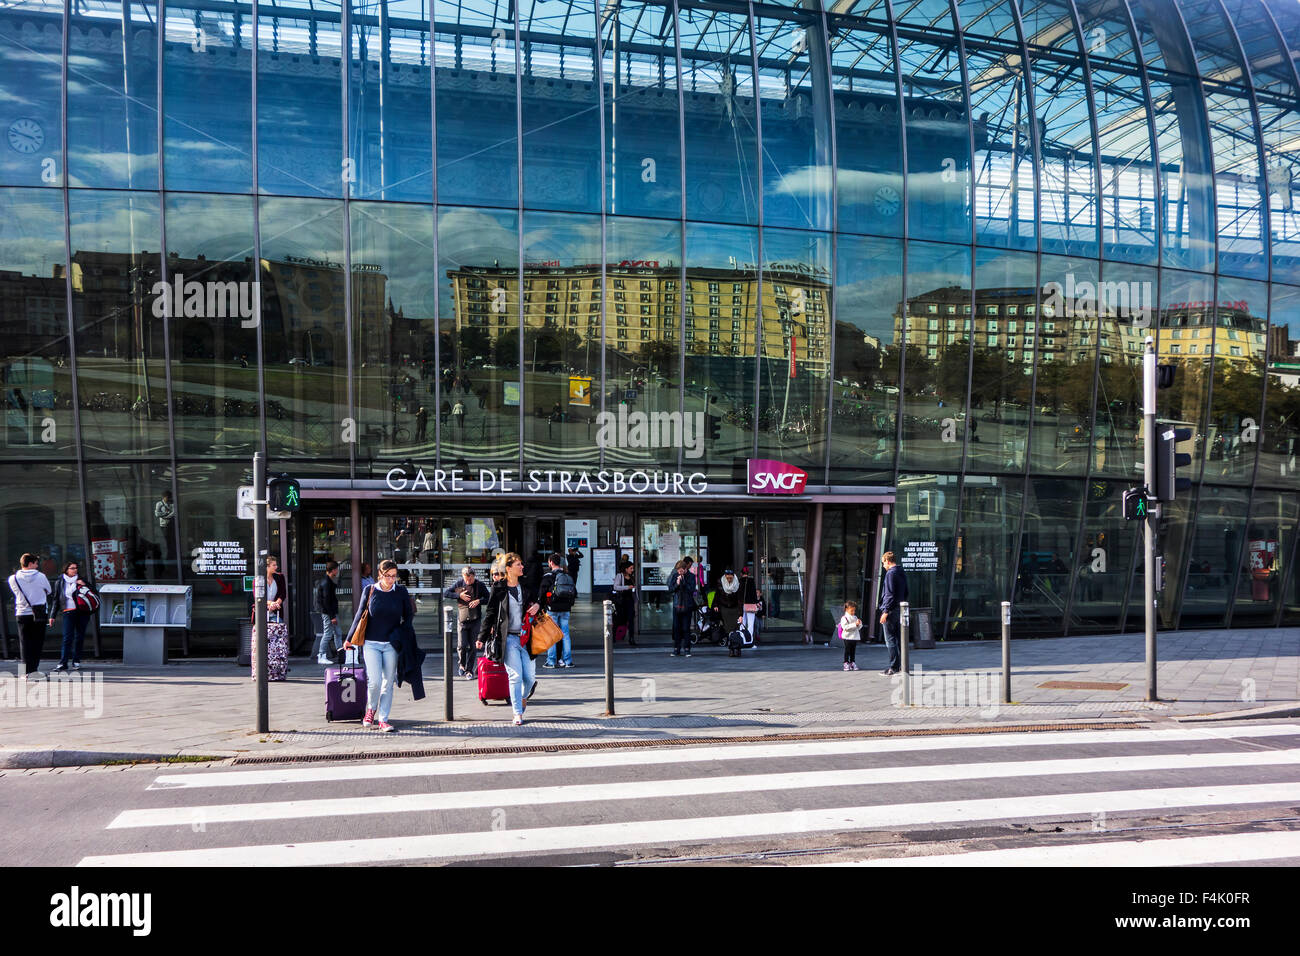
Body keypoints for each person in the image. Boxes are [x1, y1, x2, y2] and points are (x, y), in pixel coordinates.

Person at [343, 559, 412, 732]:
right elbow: (360, 614)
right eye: (388, 576)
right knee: (374, 682)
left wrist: (402, 634)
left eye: (394, 576)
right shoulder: (370, 590)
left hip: (391, 644)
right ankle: (370, 709)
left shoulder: (401, 591)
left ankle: (383, 718)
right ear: (380, 575)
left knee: (388, 682)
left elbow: (409, 616)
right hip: (371, 643)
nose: (391, 579)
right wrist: (349, 638)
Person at [475, 552, 539, 726]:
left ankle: (522, 697)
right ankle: (517, 713)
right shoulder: (499, 587)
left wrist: (537, 605)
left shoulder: (525, 585)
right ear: (509, 568)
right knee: (515, 676)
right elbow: (490, 613)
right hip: (508, 638)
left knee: (530, 679)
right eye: (518, 564)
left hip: (526, 638)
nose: (522, 567)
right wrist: (482, 636)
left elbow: (536, 601)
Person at [9, 553, 52, 680]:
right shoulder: (41, 576)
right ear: (31, 563)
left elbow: (16, 592)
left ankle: (24, 673)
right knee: (37, 643)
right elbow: (48, 590)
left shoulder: (13, 578)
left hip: (21, 613)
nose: (37, 565)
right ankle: (34, 671)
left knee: (24, 643)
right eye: (36, 563)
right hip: (39, 613)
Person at [444, 565, 489, 679]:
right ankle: (462, 665)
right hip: (462, 620)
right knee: (462, 645)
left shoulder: (480, 585)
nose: (468, 581)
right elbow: (446, 593)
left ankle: (469, 670)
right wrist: (459, 595)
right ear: (463, 576)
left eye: (470, 579)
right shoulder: (459, 583)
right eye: (466, 579)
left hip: (475, 619)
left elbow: (488, 598)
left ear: (474, 576)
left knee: (473, 647)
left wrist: (479, 601)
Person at [52, 560, 92, 673]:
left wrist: (85, 585)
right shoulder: (60, 582)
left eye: (76, 568)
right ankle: (63, 663)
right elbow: (56, 600)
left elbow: (92, 593)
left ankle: (76, 660)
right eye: (72, 568)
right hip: (68, 612)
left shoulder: (82, 580)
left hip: (82, 612)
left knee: (79, 637)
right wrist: (52, 615)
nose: (75, 570)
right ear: (66, 570)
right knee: (67, 638)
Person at [539, 552, 575, 669]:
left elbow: (542, 593)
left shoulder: (548, 576)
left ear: (551, 562)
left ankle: (551, 661)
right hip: (566, 609)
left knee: (551, 635)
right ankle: (568, 661)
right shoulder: (567, 576)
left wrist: (541, 605)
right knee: (565, 635)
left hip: (552, 608)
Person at [878, 550, 908, 676]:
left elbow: (889, 594)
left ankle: (893, 667)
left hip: (891, 611)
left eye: (883, 563)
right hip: (900, 609)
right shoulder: (901, 572)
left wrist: (885, 611)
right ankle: (903, 666)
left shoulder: (891, 573)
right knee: (899, 639)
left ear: (888, 561)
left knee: (890, 640)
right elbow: (906, 591)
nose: (883, 566)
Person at [314, 559, 342, 665]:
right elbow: (326, 601)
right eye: (337, 570)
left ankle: (341, 653)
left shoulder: (328, 581)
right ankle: (321, 655)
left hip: (331, 612)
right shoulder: (327, 583)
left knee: (337, 632)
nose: (338, 572)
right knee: (328, 633)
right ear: (333, 570)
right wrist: (332, 616)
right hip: (328, 613)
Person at [668, 559, 695, 657]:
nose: (679, 572)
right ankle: (676, 648)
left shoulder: (691, 576)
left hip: (687, 605)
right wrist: (677, 584)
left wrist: (683, 582)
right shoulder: (675, 576)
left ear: (685, 569)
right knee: (676, 627)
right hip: (677, 605)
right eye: (678, 570)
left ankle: (687, 649)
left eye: (680, 570)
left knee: (686, 628)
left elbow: (691, 589)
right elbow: (671, 589)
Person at [612, 559, 637, 646]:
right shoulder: (620, 576)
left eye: (632, 568)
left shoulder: (632, 577)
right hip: (621, 601)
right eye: (631, 568)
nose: (632, 570)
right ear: (626, 569)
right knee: (619, 619)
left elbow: (633, 588)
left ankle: (631, 638)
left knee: (631, 620)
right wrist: (627, 587)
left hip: (630, 601)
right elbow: (615, 587)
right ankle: (613, 636)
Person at [739, 566, 761, 648]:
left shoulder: (739, 581)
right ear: (749, 573)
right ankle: (750, 642)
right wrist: (756, 602)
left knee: (742, 623)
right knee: (751, 624)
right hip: (750, 604)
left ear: (741, 573)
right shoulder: (751, 581)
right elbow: (753, 593)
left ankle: (742, 641)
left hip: (741, 604)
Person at [839, 600, 863, 671]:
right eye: (851, 610)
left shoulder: (855, 617)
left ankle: (852, 662)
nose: (853, 612)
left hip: (854, 637)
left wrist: (859, 624)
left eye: (854, 610)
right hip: (847, 637)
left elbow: (858, 628)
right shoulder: (844, 618)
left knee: (853, 651)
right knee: (847, 650)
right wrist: (855, 624)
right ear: (846, 609)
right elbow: (845, 627)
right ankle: (846, 663)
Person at [264, 555, 287, 624]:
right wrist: (271, 603)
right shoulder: (259, 579)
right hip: (262, 614)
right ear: (267, 567)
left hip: (275, 613)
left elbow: (283, 594)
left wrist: (276, 604)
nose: (276, 567)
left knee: (279, 627)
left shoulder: (280, 577)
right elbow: (257, 597)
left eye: (276, 565)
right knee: (262, 633)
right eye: (274, 565)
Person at [155, 490, 175, 560]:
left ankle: (170, 555)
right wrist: (166, 514)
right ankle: (166, 555)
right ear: (163, 497)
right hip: (163, 525)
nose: (167, 498)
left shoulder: (172, 504)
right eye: (166, 497)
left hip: (171, 524)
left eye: (169, 497)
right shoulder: (159, 504)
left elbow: (174, 513)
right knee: (165, 540)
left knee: (171, 540)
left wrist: (165, 516)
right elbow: (157, 514)